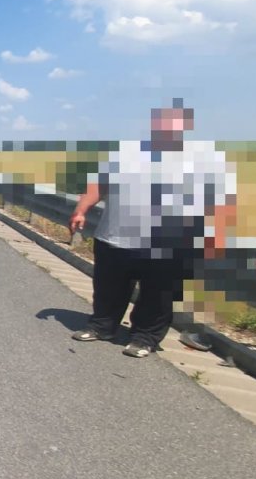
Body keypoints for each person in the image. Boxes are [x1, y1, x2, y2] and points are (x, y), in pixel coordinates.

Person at [69, 99, 237, 358]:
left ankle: (144, 337)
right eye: (161, 120)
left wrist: (218, 235)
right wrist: (81, 210)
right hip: (115, 236)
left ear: (185, 126)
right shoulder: (126, 152)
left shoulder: (205, 159)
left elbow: (221, 200)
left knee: (158, 295)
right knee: (108, 288)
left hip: (171, 242)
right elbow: (99, 186)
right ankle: (102, 326)